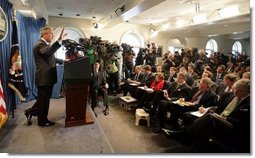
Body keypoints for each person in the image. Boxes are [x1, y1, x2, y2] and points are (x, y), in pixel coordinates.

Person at [163, 79, 250, 153]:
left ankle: (180, 134)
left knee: (209, 118)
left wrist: (224, 118)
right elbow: (217, 107)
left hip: (232, 125)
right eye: (235, 89)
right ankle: (194, 149)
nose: (235, 92)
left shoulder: (250, 103)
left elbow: (244, 123)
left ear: (248, 91)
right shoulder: (228, 95)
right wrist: (209, 109)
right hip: (218, 118)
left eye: (239, 91)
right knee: (206, 125)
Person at [24, 26, 66, 126]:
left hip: (47, 78)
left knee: (43, 100)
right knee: (44, 101)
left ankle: (30, 112)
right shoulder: (40, 44)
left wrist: (63, 61)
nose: (53, 36)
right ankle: (42, 121)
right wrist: (59, 40)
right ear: (45, 34)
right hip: (44, 78)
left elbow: (52, 58)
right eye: (51, 34)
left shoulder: (45, 45)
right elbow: (49, 52)